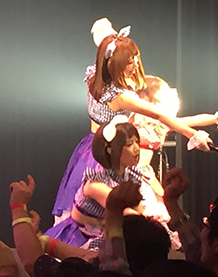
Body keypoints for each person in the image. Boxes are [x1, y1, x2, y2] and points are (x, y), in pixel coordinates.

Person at [52, 21, 215, 218]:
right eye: (130, 61)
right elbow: (160, 115)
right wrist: (193, 135)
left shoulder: (95, 77)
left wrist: (107, 35)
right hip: (109, 156)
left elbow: (105, 53)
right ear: (115, 63)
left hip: (91, 148)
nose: (136, 64)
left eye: (136, 58)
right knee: (112, 211)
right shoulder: (121, 98)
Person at [46, 117, 145, 249]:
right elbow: (126, 213)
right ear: (111, 150)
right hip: (82, 238)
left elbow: (137, 209)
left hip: (111, 231)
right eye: (129, 144)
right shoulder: (97, 183)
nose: (136, 148)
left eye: (137, 142)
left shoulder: (131, 174)